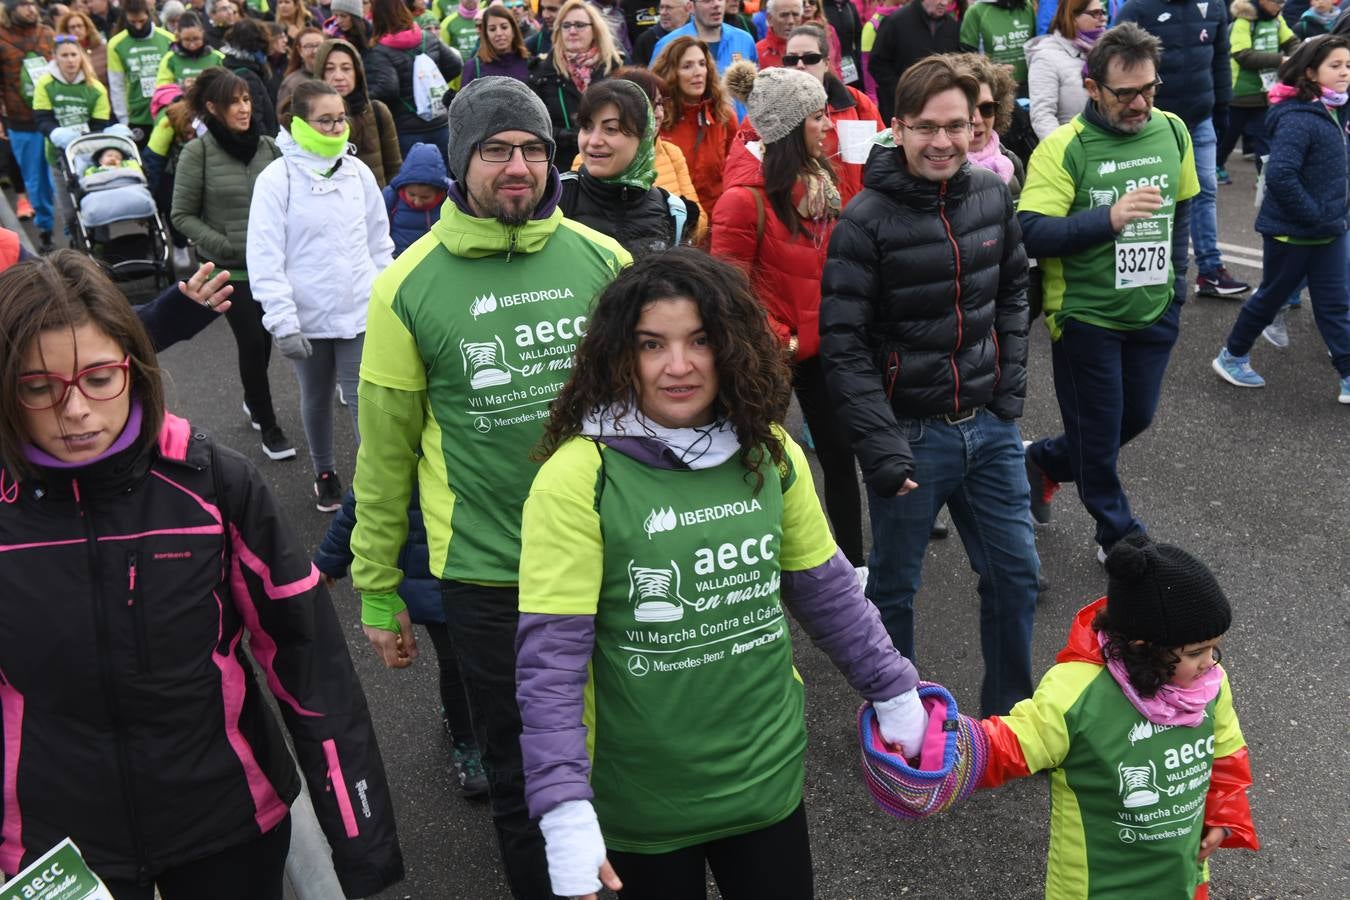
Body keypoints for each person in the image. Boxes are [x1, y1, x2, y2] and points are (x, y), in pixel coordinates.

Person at [516, 246, 926, 900]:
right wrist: (563, 805)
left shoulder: (769, 450)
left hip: (764, 778)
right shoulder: (577, 478)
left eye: (700, 341)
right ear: (620, 355)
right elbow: (551, 660)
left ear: (732, 346)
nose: (678, 366)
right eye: (652, 344)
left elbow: (827, 591)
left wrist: (893, 687)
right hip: (642, 799)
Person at [0, 250, 405, 900]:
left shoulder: (214, 482)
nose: (74, 410)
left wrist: (361, 844)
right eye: (40, 387)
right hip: (56, 848)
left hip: (226, 823)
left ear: (134, 367)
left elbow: (309, 663)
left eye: (99, 377)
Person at [348, 76, 629, 900]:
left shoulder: (601, 258)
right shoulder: (406, 286)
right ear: (463, 158)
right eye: (498, 150)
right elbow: (385, 455)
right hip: (488, 575)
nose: (519, 167)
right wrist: (375, 591)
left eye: (534, 149)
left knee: (623, 754)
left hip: (610, 554)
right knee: (523, 778)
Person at [819, 54, 1038, 718]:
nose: (943, 142)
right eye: (926, 127)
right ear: (897, 128)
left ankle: (1007, 718)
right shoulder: (863, 221)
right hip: (910, 436)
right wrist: (882, 447)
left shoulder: (993, 195)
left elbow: (1013, 292)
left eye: (958, 126)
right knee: (895, 587)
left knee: (1016, 577)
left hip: (989, 428)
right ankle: (904, 721)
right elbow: (844, 344)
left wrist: (1007, 396)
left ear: (976, 125)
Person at [976, 535, 1259, 898]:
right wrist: (935, 742)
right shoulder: (1079, 690)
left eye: (1215, 647)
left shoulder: (1208, 686)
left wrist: (1221, 818)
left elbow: (1226, 757)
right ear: (1146, 647)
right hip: (1096, 885)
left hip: (1180, 879)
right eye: (1197, 652)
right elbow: (1007, 745)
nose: (1210, 662)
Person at [1018, 23, 1198, 561]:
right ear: (1092, 87)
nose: (1140, 102)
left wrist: (1179, 284)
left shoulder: (1172, 130)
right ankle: (1117, 533)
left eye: (1149, 88)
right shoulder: (1063, 148)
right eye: (1125, 93)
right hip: (1086, 315)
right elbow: (1030, 230)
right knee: (1098, 432)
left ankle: (1044, 462)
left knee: (1134, 418)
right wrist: (1108, 219)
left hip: (1153, 308)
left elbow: (1182, 205)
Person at [715, 62, 867, 573]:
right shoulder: (741, 200)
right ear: (786, 128)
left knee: (840, 457)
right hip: (771, 354)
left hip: (824, 348)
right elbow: (729, 293)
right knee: (760, 463)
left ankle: (853, 567)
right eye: (817, 118)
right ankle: (762, 570)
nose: (828, 126)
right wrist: (781, 341)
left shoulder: (823, 181)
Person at [247, 79, 394, 512]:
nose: (335, 128)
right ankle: (325, 471)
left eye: (339, 119)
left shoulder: (358, 172)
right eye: (324, 120)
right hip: (305, 317)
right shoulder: (277, 178)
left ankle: (374, 484)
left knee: (363, 400)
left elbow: (379, 244)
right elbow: (265, 255)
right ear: (298, 123)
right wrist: (282, 320)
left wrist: (385, 300)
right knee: (315, 397)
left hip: (359, 312)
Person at [1211, 35, 1350, 403]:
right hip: (1293, 233)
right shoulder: (1299, 118)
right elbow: (1282, 175)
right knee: (1270, 299)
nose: (1345, 72)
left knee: (1336, 304)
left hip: (1330, 230)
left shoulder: (1333, 109)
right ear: (1310, 72)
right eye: (1335, 66)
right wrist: (1315, 214)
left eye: (1348, 65)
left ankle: (1349, 375)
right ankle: (1232, 355)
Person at [172, 67, 294, 464]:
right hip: (228, 270)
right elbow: (182, 214)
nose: (244, 108)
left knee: (267, 338)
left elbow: (289, 199)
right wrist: (222, 244)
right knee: (252, 340)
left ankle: (252, 400)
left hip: (270, 266)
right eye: (234, 102)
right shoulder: (198, 152)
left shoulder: (267, 147)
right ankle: (268, 423)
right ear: (213, 108)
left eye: (247, 99)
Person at [1117, 0, 1249, 299]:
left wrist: (1223, 106)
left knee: (1205, 190)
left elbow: (1220, 58)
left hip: (1200, 118)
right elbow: (1116, 66)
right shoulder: (1137, 9)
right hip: (1151, 122)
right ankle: (1145, 277)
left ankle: (1210, 271)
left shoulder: (1214, 6)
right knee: (1151, 198)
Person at [562, 76, 697, 254]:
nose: (593, 141)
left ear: (643, 138)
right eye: (587, 127)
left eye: (611, 129)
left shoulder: (671, 211)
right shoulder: (555, 198)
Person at [778, 23, 881, 206]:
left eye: (811, 58)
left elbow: (882, 160)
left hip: (852, 216)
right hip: (796, 219)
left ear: (826, 63)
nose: (800, 65)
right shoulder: (769, 109)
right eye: (791, 60)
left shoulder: (857, 103)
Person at [529, 0, 624, 173]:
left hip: (607, 165)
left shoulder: (615, 68)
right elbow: (534, 124)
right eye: (566, 25)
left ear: (594, 30)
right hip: (561, 169)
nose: (572, 31)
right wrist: (570, 136)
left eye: (579, 25)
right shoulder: (543, 71)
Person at [365, 0, 461, 164]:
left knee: (418, 184)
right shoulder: (428, 37)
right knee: (449, 180)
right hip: (441, 123)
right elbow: (455, 64)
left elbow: (388, 88)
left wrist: (365, 97)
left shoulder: (380, 50)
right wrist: (430, 83)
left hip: (408, 130)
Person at [33, 33, 111, 235]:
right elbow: (42, 119)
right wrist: (58, 133)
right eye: (64, 55)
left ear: (81, 56)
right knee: (69, 212)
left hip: (87, 154)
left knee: (96, 207)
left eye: (74, 55)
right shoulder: (45, 84)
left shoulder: (95, 88)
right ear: (55, 58)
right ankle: (74, 245)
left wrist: (83, 140)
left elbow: (99, 124)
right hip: (58, 157)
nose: (70, 60)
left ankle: (100, 247)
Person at [652, 35, 735, 215]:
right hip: (676, 222)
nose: (698, 72)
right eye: (687, 66)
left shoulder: (723, 116)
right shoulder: (658, 118)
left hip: (718, 220)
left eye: (702, 64)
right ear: (672, 73)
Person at [1216, 0, 1298, 180]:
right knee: (1228, 136)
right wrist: (1280, 60)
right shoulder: (1243, 22)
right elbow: (1242, 55)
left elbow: (1292, 41)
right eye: (1277, 2)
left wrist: (1295, 55)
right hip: (1240, 93)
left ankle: (1264, 176)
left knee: (1265, 138)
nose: (1280, 6)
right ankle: (1216, 165)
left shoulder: (1277, 20)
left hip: (1266, 94)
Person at [0, 0, 57, 252]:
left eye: (32, 3)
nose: (30, 9)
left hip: (55, 116)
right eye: (23, 4)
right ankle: (45, 229)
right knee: (36, 180)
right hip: (21, 121)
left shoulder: (47, 33)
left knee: (63, 176)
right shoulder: (1, 39)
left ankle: (74, 227)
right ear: (11, 11)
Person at [316, 37, 402, 185]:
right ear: (320, 74)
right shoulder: (311, 118)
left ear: (357, 72)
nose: (338, 77)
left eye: (346, 68)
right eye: (330, 69)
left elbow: (394, 168)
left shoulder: (378, 111)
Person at [867, 0, 959, 122]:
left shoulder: (951, 26)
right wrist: (901, 90)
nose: (945, 3)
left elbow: (956, 63)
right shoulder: (896, 22)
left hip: (940, 107)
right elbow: (877, 63)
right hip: (901, 109)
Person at [1024, 0, 1101, 140]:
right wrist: (1067, 150)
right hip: (1074, 148)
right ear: (1073, 17)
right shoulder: (1046, 57)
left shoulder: (1103, 50)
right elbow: (1042, 116)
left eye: (1103, 12)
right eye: (1095, 13)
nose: (1102, 18)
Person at [953, 51, 1026, 198]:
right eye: (967, 109)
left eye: (987, 108)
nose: (978, 119)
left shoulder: (1009, 159)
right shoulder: (935, 171)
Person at [107, 0, 174, 141]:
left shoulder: (168, 39)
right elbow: (117, 86)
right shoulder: (116, 44)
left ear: (149, 15)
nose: (138, 26)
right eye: (132, 22)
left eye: (142, 21)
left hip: (166, 112)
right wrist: (124, 120)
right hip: (137, 116)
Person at [650, 0, 758, 81]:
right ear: (690, 7)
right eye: (707, 0)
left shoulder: (744, 40)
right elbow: (655, 92)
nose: (716, 4)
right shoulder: (668, 44)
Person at [382, 139, 448, 255]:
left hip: (434, 257)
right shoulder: (391, 196)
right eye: (411, 195)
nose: (417, 202)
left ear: (439, 191)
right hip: (399, 257)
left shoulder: (449, 198)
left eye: (425, 197)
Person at [959, 0, 1037, 91]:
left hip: (1029, 86)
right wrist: (994, 71)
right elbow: (966, 59)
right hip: (995, 89)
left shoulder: (1028, 7)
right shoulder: (976, 11)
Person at [462, 2, 531, 87]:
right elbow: (464, 99)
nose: (499, 33)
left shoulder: (529, 63)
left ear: (513, 30)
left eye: (504, 27)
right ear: (486, 34)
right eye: (492, 29)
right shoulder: (473, 67)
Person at [155, 10, 224, 86]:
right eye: (187, 40)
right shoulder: (170, 59)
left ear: (203, 35)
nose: (192, 45)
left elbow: (226, 85)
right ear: (179, 37)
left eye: (196, 39)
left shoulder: (217, 58)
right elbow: (162, 88)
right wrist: (181, 86)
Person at [56, 9, 107, 85]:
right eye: (72, 27)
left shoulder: (102, 49)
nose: (77, 30)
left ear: (87, 28)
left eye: (80, 26)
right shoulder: (61, 52)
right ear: (67, 31)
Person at [276, 22, 320, 106]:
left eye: (319, 45)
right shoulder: (292, 83)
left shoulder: (334, 76)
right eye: (309, 46)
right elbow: (284, 116)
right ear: (300, 51)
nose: (315, 51)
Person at [437, 0, 479, 87]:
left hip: (484, 76)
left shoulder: (486, 18)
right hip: (458, 81)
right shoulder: (447, 23)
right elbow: (443, 56)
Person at [756, 0, 802, 69]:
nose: (791, 21)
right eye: (784, 15)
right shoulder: (757, 52)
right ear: (769, 19)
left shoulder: (811, 49)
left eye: (795, 14)